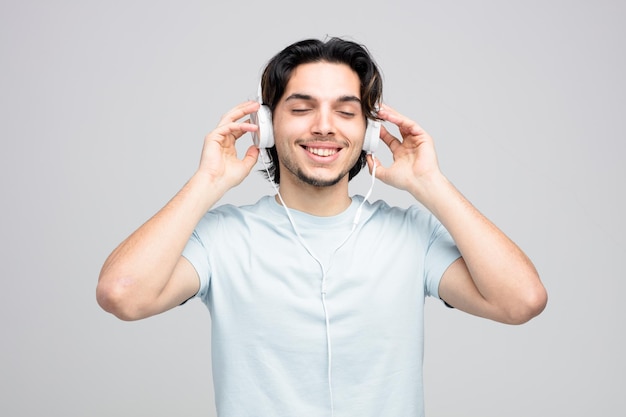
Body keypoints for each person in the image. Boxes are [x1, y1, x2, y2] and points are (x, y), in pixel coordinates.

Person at [97, 37, 547, 417]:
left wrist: (431, 184)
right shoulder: (222, 237)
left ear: (368, 132)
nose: (324, 127)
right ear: (268, 126)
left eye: (346, 112)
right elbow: (123, 294)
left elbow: (522, 301)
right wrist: (206, 182)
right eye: (301, 108)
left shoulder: (413, 235)